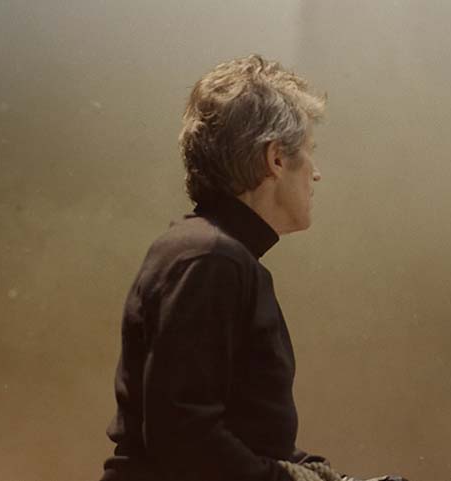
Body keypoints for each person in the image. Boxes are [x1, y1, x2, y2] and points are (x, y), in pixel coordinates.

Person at [100, 55, 403, 481]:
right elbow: (185, 439)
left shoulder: (212, 252)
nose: (316, 174)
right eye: (310, 152)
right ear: (276, 158)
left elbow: (246, 437)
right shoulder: (211, 259)